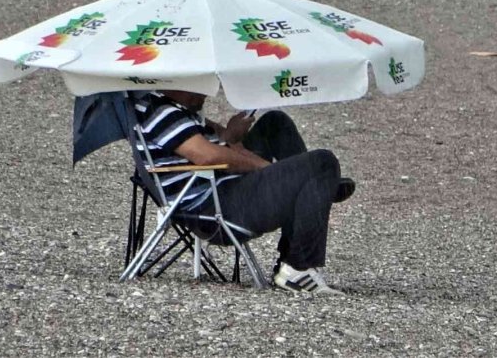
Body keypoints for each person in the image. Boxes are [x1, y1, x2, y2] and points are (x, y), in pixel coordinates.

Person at [133, 90, 355, 294]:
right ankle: (299, 265)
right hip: (216, 210)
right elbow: (208, 157)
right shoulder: (160, 112)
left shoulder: (180, 109)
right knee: (322, 163)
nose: (207, 93)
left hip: (226, 191)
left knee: (275, 123)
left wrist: (230, 138)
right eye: (199, 86)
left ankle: (317, 189)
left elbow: (221, 142)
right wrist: (271, 170)